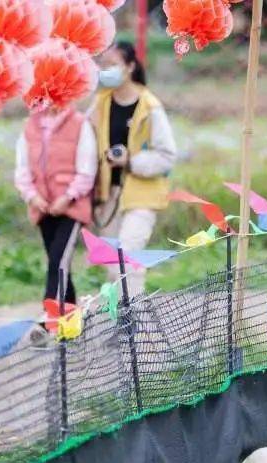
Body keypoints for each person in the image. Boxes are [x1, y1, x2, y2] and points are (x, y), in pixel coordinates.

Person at [89, 41, 177, 295]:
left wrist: (131, 161)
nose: (106, 71)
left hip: (142, 194)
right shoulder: (101, 103)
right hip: (108, 194)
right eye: (103, 65)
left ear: (130, 67)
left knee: (129, 258)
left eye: (113, 65)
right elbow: (86, 141)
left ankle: (132, 323)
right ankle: (118, 321)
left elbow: (167, 156)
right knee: (111, 263)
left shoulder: (150, 107)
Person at [13, 104, 97, 328]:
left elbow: (87, 168)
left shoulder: (80, 124)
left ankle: (48, 317)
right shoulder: (30, 125)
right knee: (58, 261)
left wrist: (69, 196)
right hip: (42, 207)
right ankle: (72, 322)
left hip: (71, 207)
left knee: (58, 260)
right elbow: (22, 167)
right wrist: (32, 196)